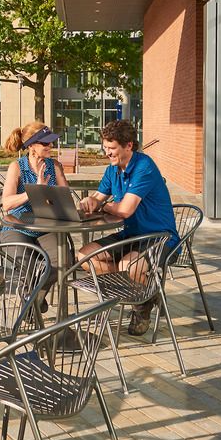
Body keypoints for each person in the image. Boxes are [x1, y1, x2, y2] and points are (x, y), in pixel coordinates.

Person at [75, 119, 179, 336]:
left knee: (128, 265)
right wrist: (91, 202)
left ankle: (141, 307)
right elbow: (98, 197)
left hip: (160, 237)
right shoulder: (112, 170)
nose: (107, 153)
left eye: (112, 149)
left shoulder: (144, 167)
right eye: (105, 148)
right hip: (131, 234)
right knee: (85, 256)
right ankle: (147, 290)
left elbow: (124, 211)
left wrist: (106, 205)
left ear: (128, 145)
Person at [0, 122, 69, 293]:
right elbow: (6, 203)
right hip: (17, 226)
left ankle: (33, 303)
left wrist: (53, 195)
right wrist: (34, 191)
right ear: (31, 146)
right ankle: (33, 306)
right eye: (45, 143)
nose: (50, 146)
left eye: (51, 142)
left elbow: (65, 200)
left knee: (63, 262)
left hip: (46, 227)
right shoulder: (17, 167)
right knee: (25, 266)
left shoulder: (55, 166)